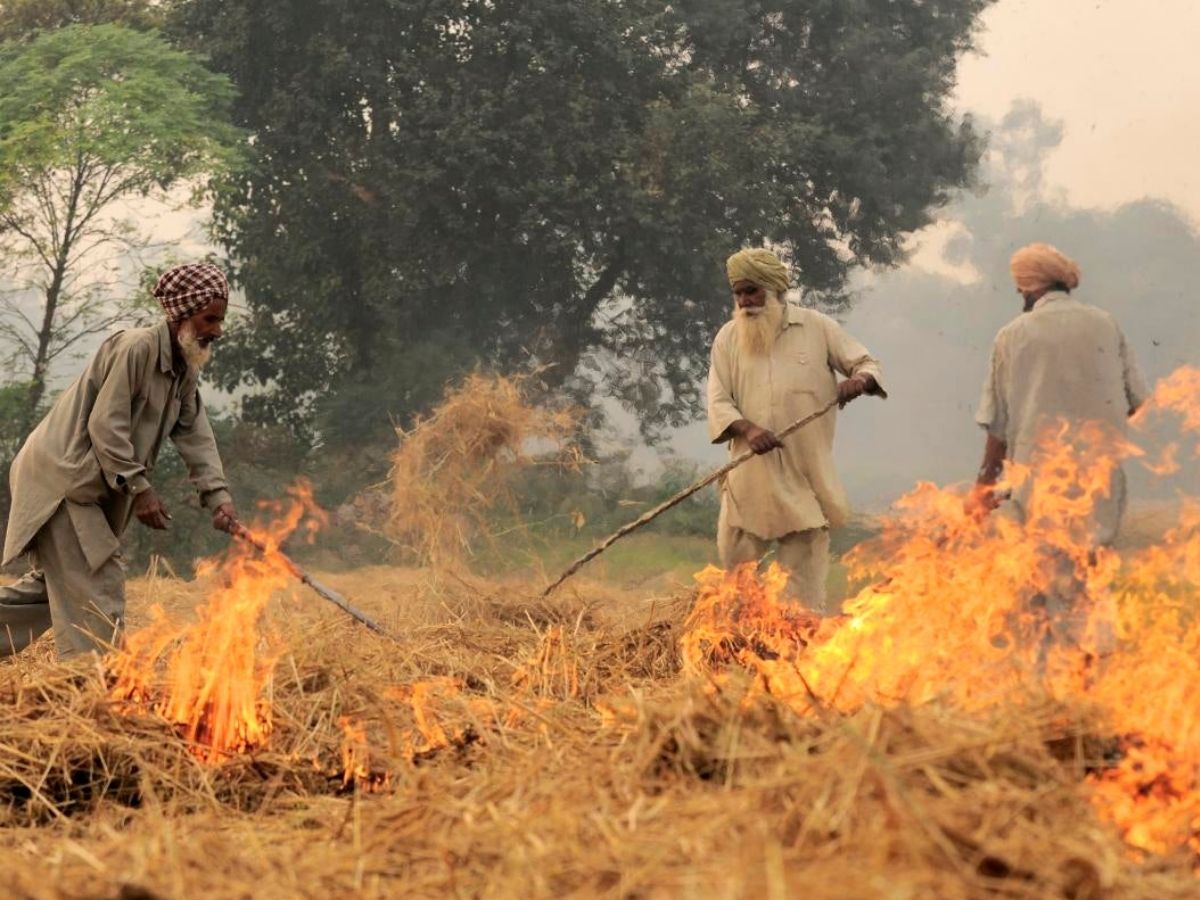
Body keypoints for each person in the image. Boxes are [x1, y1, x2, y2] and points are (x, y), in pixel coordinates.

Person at [0, 263, 241, 660]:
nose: (216, 330)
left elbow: (196, 434)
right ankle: (91, 687)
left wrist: (218, 497)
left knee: (55, 590)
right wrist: (140, 488)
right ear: (181, 314)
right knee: (97, 579)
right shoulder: (136, 348)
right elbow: (105, 425)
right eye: (209, 318)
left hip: (84, 485)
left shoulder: (185, 367)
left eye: (220, 320)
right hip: (64, 480)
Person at [706, 248, 886, 613]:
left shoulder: (818, 328)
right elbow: (718, 400)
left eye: (752, 291)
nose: (745, 301)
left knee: (800, 602)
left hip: (804, 478)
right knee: (736, 593)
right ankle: (731, 655)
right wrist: (748, 429)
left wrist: (861, 380)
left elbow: (866, 363)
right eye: (738, 293)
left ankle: (798, 659)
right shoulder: (727, 338)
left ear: (775, 289)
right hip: (748, 479)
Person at [971, 242, 1148, 545]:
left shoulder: (1012, 335)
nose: (1019, 294)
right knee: (1088, 573)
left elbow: (998, 426)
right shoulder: (1106, 324)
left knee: (1040, 575)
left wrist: (983, 489)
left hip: (1036, 479)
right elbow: (1137, 402)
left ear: (1030, 287)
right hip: (1101, 479)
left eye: (1020, 286)